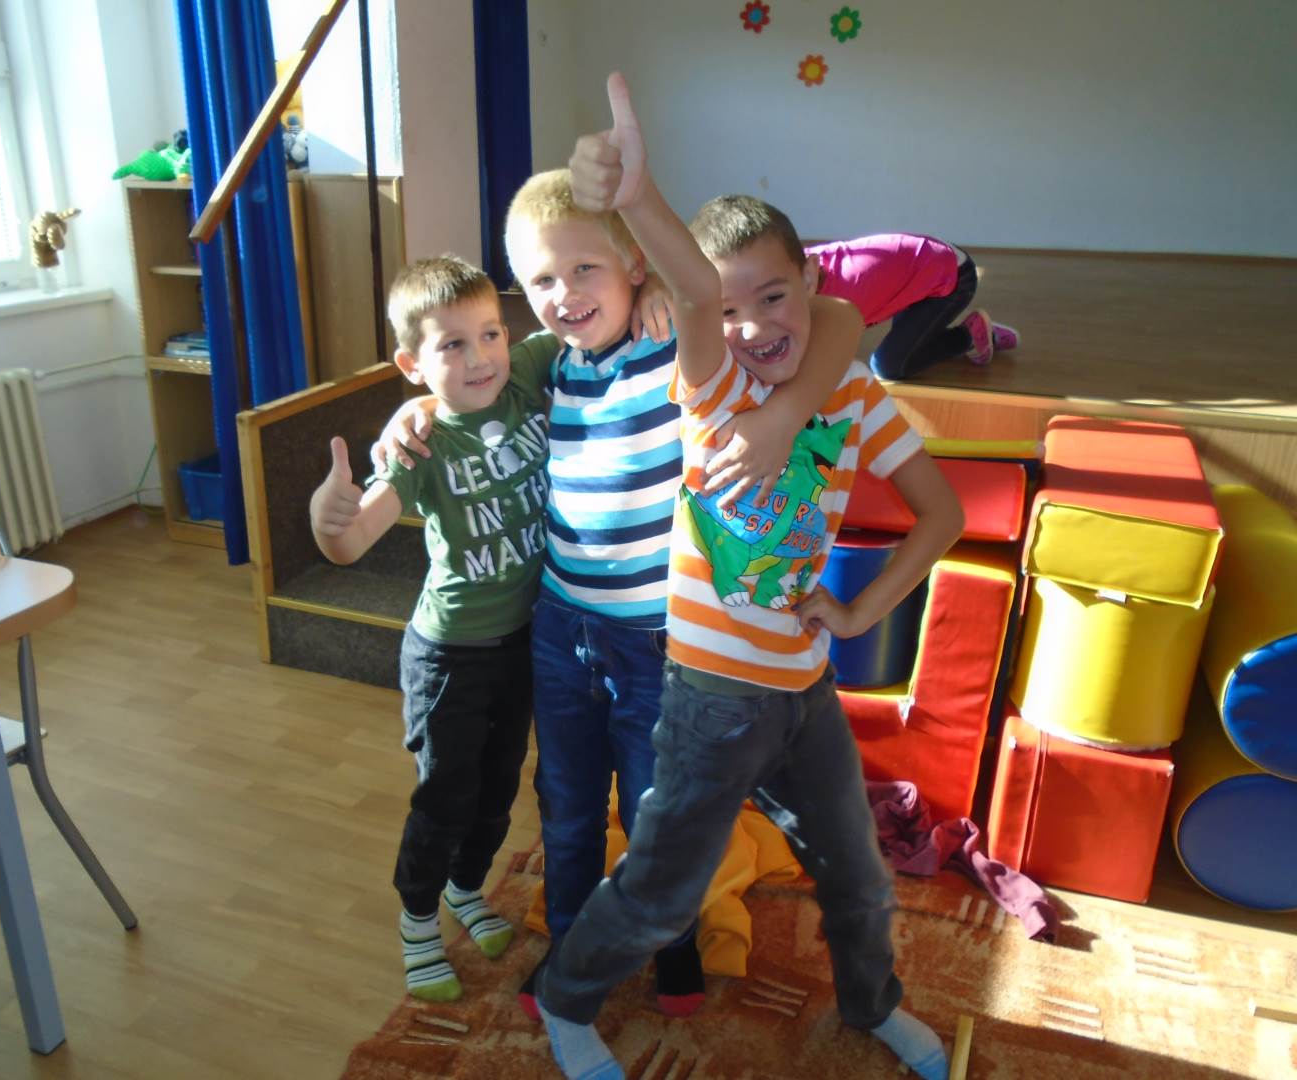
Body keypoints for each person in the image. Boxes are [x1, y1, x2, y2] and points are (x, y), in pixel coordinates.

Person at [531, 74, 965, 1080]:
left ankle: (872, 1006)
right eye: (728, 309)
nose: (752, 324)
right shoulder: (713, 387)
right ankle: (565, 998)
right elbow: (693, 293)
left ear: (809, 281)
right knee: (663, 893)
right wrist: (638, 195)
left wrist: (858, 608)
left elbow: (940, 514)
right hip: (711, 701)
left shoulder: (850, 391)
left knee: (860, 879)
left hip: (805, 692)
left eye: (773, 296)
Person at [374, 153, 853, 1022]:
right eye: (541, 281)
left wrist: (670, 287)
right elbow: (462, 382)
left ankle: (670, 948)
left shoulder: (676, 341)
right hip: (561, 630)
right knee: (565, 806)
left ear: (633, 264)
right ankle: (569, 948)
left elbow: (842, 315)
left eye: (584, 268)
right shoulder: (544, 364)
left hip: (656, 639)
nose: (564, 295)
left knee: (652, 807)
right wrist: (417, 410)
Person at [309, 255, 559, 1003]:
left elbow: (587, 317)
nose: (481, 356)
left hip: (522, 644)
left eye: (491, 333)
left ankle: (464, 887)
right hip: (449, 656)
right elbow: (353, 541)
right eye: (453, 344)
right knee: (447, 794)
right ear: (412, 365)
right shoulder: (420, 446)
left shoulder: (525, 378)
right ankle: (418, 917)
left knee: (498, 787)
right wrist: (329, 519)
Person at [805, 231, 1020, 378]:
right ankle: (980, 332)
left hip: (955, 276)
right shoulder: (804, 265)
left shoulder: (837, 300)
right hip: (929, 265)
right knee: (907, 344)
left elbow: (827, 360)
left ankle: (967, 337)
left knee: (888, 366)